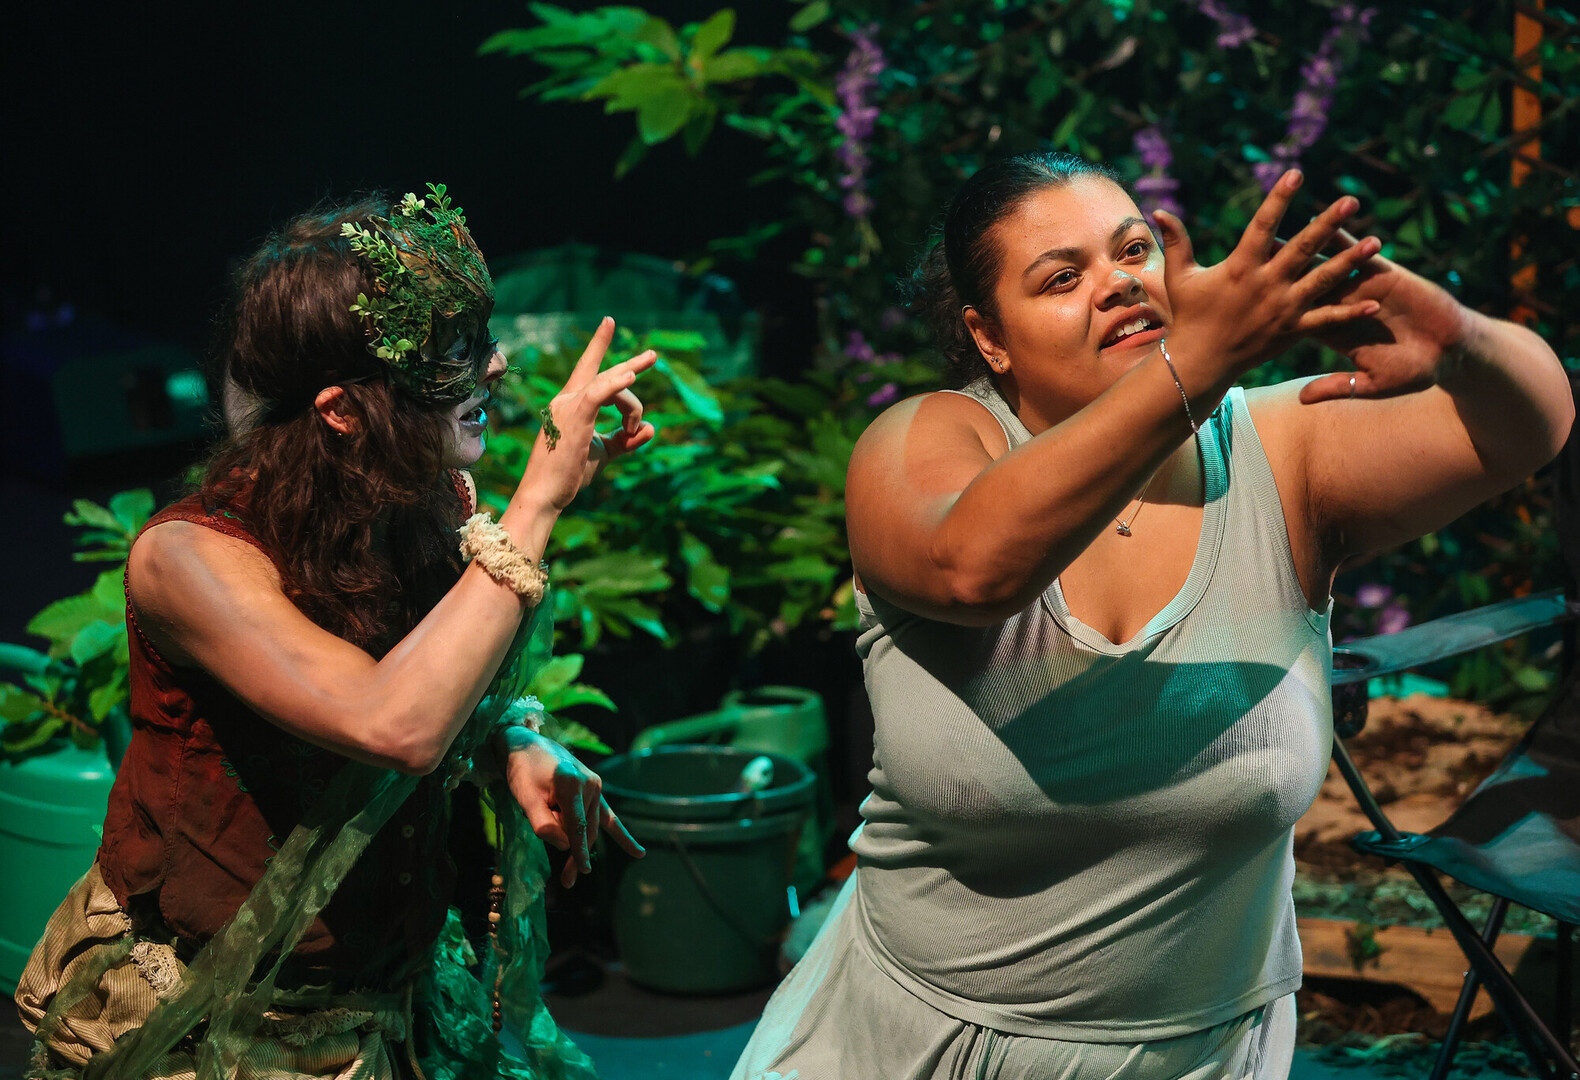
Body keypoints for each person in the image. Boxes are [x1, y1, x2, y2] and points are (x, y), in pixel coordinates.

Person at [733, 151, 1572, 1080]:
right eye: (1063, 276)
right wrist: (1197, 362)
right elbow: (972, 568)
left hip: (1199, 1058)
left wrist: (1460, 338)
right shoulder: (928, 441)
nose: (1118, 283)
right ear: (990, 336)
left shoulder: (1280, 452)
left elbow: (1525, 426)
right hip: (918, 1042)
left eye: (1134, 250)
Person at [16, 185, 657, 1079]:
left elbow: (433, 684)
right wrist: (539, 501)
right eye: (445, 363)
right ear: (340, 411)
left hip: (382, 997)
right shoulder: (191, 560)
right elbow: (389, 721)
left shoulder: (428, 505)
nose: (497, 371)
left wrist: (508, 738)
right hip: (218, 1019)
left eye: (476, 343)